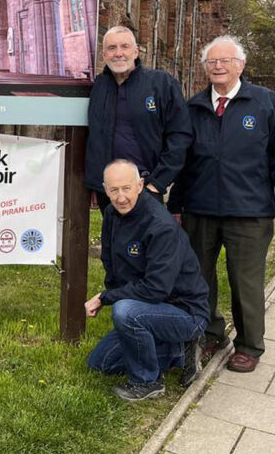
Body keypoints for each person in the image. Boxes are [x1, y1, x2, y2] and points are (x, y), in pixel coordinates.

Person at [168, 35, 275, 373]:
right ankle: (211, 333)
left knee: (245, 281)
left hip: (250, 213)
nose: (218, 66)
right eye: (212, 61)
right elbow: (184, 163)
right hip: (200, 210)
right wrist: (177, 206)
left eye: (225, 60)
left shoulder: (265, 103)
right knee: (199, 278)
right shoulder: (194, 106)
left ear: (241, 65)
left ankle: (249, 345)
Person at [86, 160, 209, 401]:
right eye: (114, 190)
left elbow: (155, 289)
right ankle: (179, 352)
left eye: (126, 188)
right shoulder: (112, 213)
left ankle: (147, 382)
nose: (121, 197)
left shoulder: (160, 226)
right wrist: (112, 289)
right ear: (104, 189)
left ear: (140, 185)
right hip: (152, 308)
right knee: (100, 363)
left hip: (185, 311)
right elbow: (110, 261)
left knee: (125, 311)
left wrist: (106, 298)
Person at [85, 26, 192, 211]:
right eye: (112, 48)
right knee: (113, 240)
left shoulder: (161, 84)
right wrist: (95, 182)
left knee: (149, 240)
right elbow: (93, 138)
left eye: (124, 46)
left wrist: (157, 183)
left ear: (135, 51)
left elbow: (180, 136)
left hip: (145, 187)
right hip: (108, 191)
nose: (118, 53)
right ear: (104, 55)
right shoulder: (97, 88)